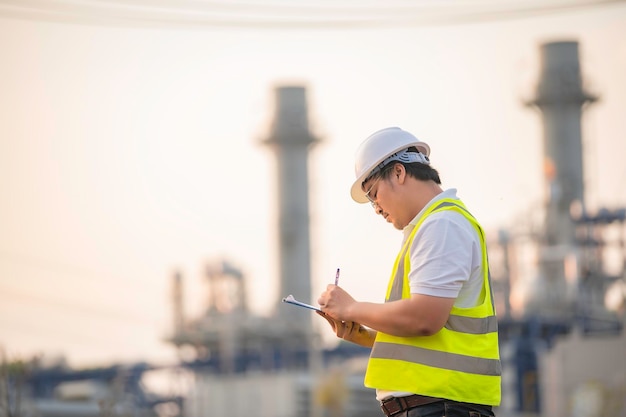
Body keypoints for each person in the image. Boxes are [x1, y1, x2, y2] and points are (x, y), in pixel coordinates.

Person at [317, 127, 501, 417]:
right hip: (438, 407)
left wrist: (352, 308)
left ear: (399, 173)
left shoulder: (442, 226)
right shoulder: (435, 226)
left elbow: (424, 318)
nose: (376, 209)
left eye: (374, 194)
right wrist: (365, 335)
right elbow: (432, 336)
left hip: (440, 409)